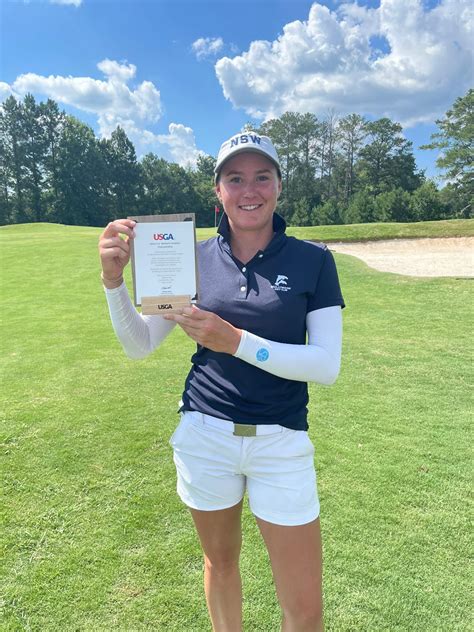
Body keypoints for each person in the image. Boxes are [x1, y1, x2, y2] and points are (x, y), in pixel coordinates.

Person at [98, 131, 345, 632]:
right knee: (220, 564)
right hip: (205, 436)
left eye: (261, 177)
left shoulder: (313, 260)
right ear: (218, 191)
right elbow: (140, 344)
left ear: (279, 187)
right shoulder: (190, 258)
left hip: (281, 441)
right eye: (235, 178)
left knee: (305, 608)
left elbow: (325, 365)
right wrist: (113, 284)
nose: (248, 189)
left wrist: (236, 341)